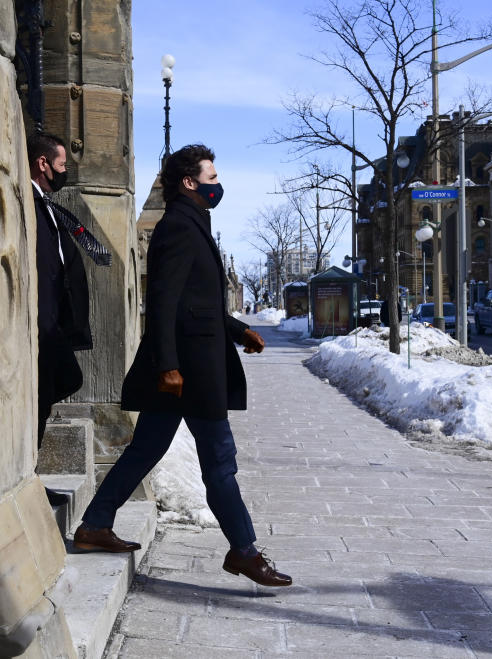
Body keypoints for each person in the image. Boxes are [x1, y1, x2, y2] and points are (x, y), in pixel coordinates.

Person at [73, 144, 292, 587]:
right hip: (189, 373)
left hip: (189, 367)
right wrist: (168, 366)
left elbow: (202, 302)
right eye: (211, 178)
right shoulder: (177, 226)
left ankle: (95, 524)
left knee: (146, 449)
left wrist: (237, 330)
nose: (218, 185)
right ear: (189, 183)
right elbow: (163, 302)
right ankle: (244, 550)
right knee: (220, 460)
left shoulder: (193, 224)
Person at [28, 132, 90, 507]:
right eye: (62, 165)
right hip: (40, 325)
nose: (65, 171)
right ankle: (28, 477)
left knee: (53, 388)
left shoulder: (46, 204)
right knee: (47, 390)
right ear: (43, 164)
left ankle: (30, 474)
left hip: (52, 326)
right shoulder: (30, 204)